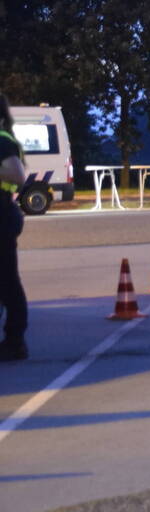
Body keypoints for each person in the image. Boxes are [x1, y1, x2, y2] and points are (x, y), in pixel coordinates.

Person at [0, 93, 29, 361]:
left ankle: (15, 341)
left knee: (8, 281)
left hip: (2, 215)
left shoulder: (2, 140)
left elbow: (17, 175)